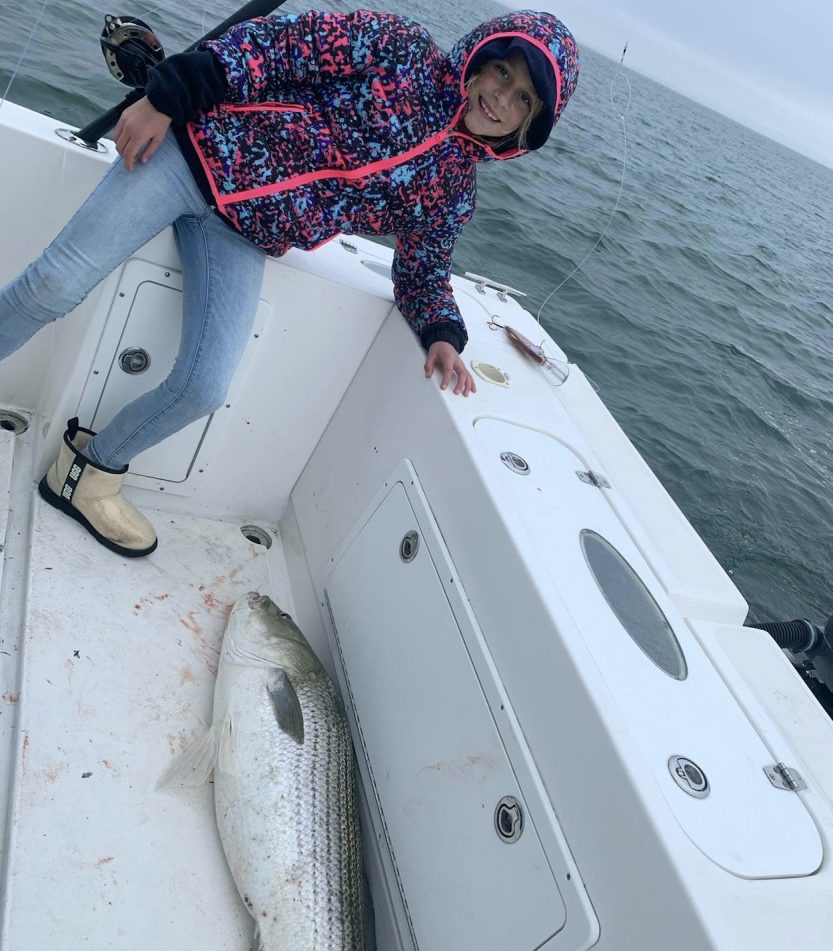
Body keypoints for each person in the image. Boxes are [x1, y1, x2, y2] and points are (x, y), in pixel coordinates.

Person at [0, 8, 579, 558]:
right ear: (482, 56)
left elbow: (423, 268)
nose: (500, 97)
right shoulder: (401, 49)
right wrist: (164, 97)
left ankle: (89, 474)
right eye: (502, 71)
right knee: (57, 283)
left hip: (241, 236)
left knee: (205, 387)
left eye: (523, 98)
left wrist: (441, 331)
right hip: (190, 151)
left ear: (529, 124)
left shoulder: (453, 192)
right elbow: (277, 46)